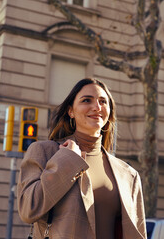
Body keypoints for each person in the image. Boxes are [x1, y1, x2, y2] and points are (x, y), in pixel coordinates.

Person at [17, 78, 147, 239]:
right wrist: (67, 160)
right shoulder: (44, 152)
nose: (97, 107)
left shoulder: (128, 174)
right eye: (87, 100)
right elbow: (28, 209)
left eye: (103, 102)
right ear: (70, 111)